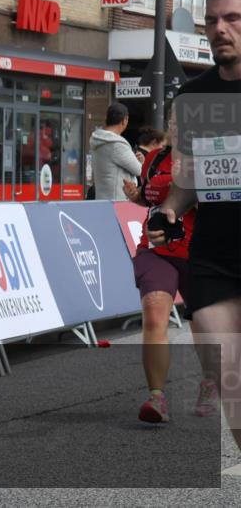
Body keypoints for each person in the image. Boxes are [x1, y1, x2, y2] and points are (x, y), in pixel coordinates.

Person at [148, 0, 241, 450]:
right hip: (214, 260)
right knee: (233, 385)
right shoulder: (194, 98)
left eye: (233, 18)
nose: (219, 29)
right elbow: (189, 177)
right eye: (212, 20)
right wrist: (168, 209)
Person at [123, 114, 214, 423]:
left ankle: (209, 382)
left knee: (203, 327)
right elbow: (150, 199)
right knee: (154, 315)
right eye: (174, 120)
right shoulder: (153, 159)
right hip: (156, 250)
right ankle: (156, 398)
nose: (177, 126)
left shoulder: (209, 161)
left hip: (199, 254)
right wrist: (138, 197)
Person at [88, 102, 142, 201]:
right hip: (118, 201)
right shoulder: (117, 144)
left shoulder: (97, 140)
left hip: (101, 199)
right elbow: (139, 170)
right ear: (125, 120)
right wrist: (141, 161)